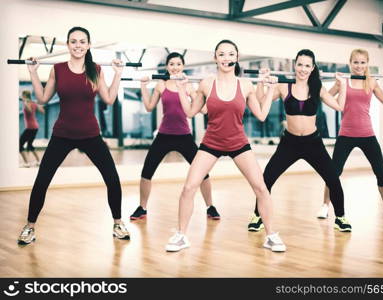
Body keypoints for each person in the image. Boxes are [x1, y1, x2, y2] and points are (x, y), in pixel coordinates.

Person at [165, 40, 285, 252]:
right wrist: (183, 89)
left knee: (261, 188)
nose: (226, 58)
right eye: (222, 54)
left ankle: (271, 235)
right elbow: (191, 112)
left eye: (230, 54)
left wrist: (271, 89)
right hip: (211, 142)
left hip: (238, 142)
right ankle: (181, 235)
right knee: (189, 186)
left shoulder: (245, 85)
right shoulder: (206, 83)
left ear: (236, 58)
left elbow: (262, 115)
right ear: (215, 58)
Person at [17, 26, 130, 245]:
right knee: (42, 180)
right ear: (68, 45)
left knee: (112, 179)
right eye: (73, 41)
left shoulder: (95, 70)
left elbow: (109, 99)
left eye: (82, 41)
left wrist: (118, 74)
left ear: (88, 45)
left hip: (90, 134)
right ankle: (29, 227)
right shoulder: (57, 70)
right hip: (62, 134)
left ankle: (117, 223)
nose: (78, 45)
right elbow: (41, 98)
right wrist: (32, 73)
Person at [248, 49, 352, 233]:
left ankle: (340, 218)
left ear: (312, 68)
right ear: (294, 65)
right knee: (267, 178)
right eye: (300, 64)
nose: (302, 69)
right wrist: (261, 83)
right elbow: (260, 101)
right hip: (290, 143)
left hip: (313, 143)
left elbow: (339, 106)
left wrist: (342, 86)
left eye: (307, 65)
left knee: (333, 179)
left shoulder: (317, 88)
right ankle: (258, 216)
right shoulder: (283, 86)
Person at [130, 52, 220, 221]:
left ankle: (211, 207)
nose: (175, 67)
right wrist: (143, 86)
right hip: (164, 135)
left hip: (184, 136)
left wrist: (205, 91)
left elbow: (204, 109)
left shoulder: (187, 86)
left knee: (203, 173)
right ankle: (142, 208)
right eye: (172, 64)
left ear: (183, 66)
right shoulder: (161, 85)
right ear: (167, 66)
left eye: (178, 64)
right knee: (146, 172)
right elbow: (149, 107)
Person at [317, 48, 383, 220]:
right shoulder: (343, 82)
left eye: (363, 62)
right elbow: (325, 97)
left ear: (367, 63)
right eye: (356, 62)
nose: (359, 66)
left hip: (367, 133)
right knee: (333, 172)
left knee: (380, 172)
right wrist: (319, 81)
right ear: (350, 63)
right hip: (346, 133)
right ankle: (325, 205)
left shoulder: (371, 82)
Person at [19, 90, 45, 167]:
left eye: (22, 95)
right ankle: (39, 161)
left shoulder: (29, 103)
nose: (22, 96)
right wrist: (36, 104)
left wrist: (25, 103)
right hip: (34, 127)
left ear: (25, 96)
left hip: (31, 128)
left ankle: (26, 163)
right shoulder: (32, 103)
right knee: (30, 145)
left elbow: (32, 111)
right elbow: (42, 111)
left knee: (19, 145)